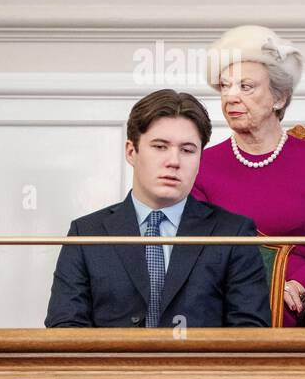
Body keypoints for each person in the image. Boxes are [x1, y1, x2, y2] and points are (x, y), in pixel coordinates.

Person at [45, 89, 270, 328]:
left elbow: (250, 335)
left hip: (201, 365)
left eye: (187, 150)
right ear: (131, 151)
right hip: (111, 365)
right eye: (160, 146)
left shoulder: (233, 233)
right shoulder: (86, 233)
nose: (173, 161)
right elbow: (65, 329)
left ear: (199, 159)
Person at [192, 25, 305, 326]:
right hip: (224, 301)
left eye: (246, 87)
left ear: (279, 98)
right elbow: (197, 252)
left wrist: (296, 283)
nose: (230, 98)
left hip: (295, 302)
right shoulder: (202, 165)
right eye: (225, 87)